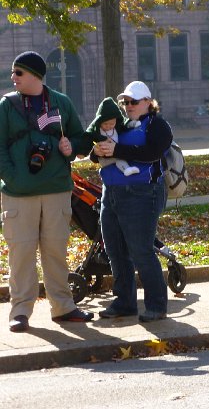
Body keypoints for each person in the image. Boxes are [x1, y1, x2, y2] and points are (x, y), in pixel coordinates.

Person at [0, 51, 94, 332]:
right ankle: (20, 312)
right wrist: (11, 176)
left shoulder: (61, 103)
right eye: (14, 73)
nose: (13, 78)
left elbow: (81, 138)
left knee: (55, 249)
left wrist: (72, 148)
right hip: (18, 193)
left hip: (56, 189)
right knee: (21, 253)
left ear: (35, 76)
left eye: (19, 73)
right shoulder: (6, 106)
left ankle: (63, 308)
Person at [91, 81, 173, 321]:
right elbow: (97, 154)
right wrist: (96, 152)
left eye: (133, 102)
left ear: (148, 102)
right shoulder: (119, 125)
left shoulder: (158, 126)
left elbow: (152, 154)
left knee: (141, 251)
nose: (128, 106)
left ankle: (157, 306)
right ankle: (125, 302)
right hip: (111, 193)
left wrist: (116, 151)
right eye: (125, 102)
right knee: (115, 251)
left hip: (143, 194)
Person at [85, 97, 141, 176]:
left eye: (112, 124)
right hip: (104, 158)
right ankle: (127, 169)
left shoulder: (118, 128)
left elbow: (126, 124)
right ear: (99, 122)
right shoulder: (97, 132)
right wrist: (95, 152)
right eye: (105, 124)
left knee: (119, 159)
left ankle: (127, 169)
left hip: (116, 154)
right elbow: (88, 137)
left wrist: (133, 124)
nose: (108, 126)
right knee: (118, 160)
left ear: (116, 121)